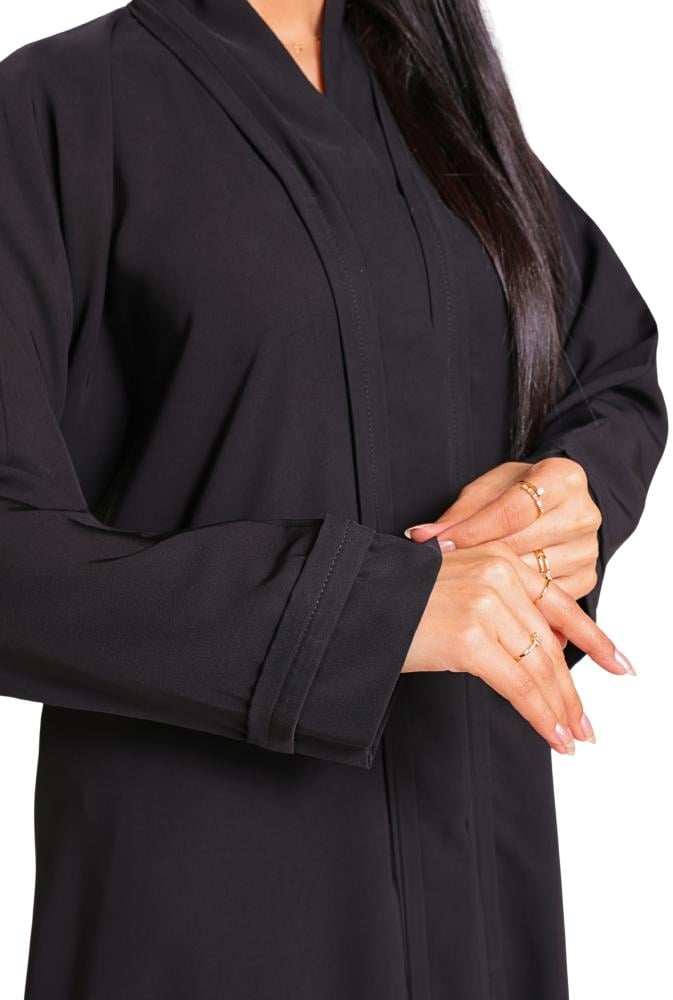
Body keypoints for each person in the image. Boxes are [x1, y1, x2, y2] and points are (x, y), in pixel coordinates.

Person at [0, 1, 666, 998]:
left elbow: (605, 366)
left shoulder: (435, 92)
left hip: (476, 874)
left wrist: (570, 491)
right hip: (209, 908)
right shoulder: (59, 107)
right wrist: (370, 610)